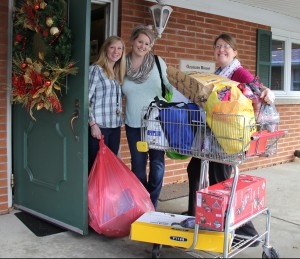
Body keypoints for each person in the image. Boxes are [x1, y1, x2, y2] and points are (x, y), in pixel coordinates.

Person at [186, 33, 275, 246]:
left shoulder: (238, 72)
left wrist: (267, 92)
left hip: (228, 138)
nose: (221, 49)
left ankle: (245, 231)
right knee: (196, 171)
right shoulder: (218, 73)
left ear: (235, 52)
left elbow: (258, 88)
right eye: (217, 46)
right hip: (213, 136)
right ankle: (197, 216)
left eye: (226, 46)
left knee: (222, 182)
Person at [122, 25, 173, 209]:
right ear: (133, 41)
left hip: (156, 123)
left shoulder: (158, 62)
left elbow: (171, 85)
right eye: (140, 42)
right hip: (133, 124)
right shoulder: (122, 64)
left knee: (157, 165)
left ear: (151, 46)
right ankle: (141, 203)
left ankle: (152, 204)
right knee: (138, 167)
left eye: (147, 43)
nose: (143, 46)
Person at [88, 35, 126, 173]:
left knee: (110, 167)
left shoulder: (117, 73)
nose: (116, 52)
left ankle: (106, 195)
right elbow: (85, 98)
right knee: (96, 167)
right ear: (105, 49)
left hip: (115, 126)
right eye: (112, 47)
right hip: (100, 127)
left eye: (119, 49)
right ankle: (93, 195)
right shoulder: (95, 70)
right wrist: (92, 124)